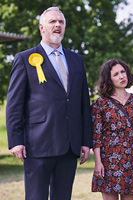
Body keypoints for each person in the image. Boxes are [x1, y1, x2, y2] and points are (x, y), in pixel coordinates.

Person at [6, 7, 92, 200]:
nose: (57, 25)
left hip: (70, 145)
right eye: (52, 22)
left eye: (61, 22)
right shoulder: (25, 59)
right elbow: (14, 104)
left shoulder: (77, 60)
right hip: (37, 145)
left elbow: (83, 104)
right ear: (41, 28)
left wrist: (86, 141)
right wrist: (16, 140)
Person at [91, 59, 133, 200]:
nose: (121, 76)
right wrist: (98, 163)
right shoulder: (100, 103)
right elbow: (96, 136)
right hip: (108, 162)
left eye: (123, 72)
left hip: (131, 160)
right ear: (108, 79)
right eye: (115, 74)